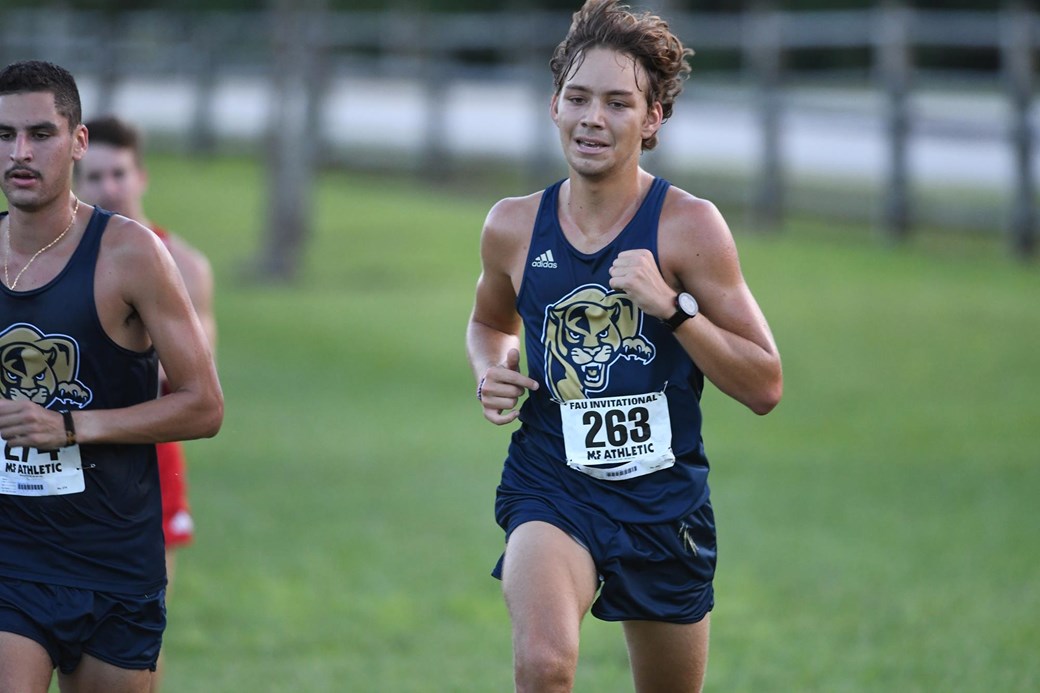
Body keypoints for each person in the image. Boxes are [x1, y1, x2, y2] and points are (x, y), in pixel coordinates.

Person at [465, 2, 783, 691]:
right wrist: (494, 366)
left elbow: (764, 383)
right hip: (553, 480)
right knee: (545, 664)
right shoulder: (513, 226)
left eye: (617, 102)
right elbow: (491, 322)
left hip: (664, 501)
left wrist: (671, 308)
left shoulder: (691, 227)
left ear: (652, 119)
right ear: (554, 105)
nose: (592, 118)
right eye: (577, 98)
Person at [0, 60, 223, 692]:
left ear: (78, 142)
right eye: (3, 134)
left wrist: (68, 425)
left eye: (40, 133)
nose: (20, 152)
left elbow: (204, 407)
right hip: (11, 553)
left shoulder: (130, 253)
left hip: (113, 557)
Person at [74, 114, 217, 692]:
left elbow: (190, 382)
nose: (108, 187)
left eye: (119, 173)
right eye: (94, 176)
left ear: (142, 176)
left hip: (147, 470)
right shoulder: (55, 260)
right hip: (49, 465)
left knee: (136, 642)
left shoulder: (183, 265)